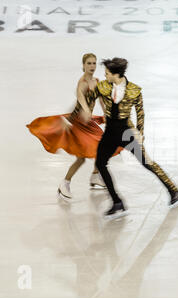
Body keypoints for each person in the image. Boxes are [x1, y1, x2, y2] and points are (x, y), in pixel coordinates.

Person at [95, 57, 178, 219]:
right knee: (100, 163)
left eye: (107, 73)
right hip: (109, 133)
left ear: (116, 74)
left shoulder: (134, 90)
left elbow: (140, 112)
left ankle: (174, 191)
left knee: (146, 162)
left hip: (126, 132)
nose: (105, 75)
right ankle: (117, 202)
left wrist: (140, 133)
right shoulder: (102, 86)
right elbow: (88, 98)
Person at [26, 53, 121, 199]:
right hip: (77, 124)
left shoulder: (96, 81)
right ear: (83, 65)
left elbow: (102, 100)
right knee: (81, 158)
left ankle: (95, 175)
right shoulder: (82, 83)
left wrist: (107, 115)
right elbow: (80, 100)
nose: (92, 66)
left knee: (101, 148)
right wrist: (84, 111)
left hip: (88, 124)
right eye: (89, 63)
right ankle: (65, 183)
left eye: (94, 63)